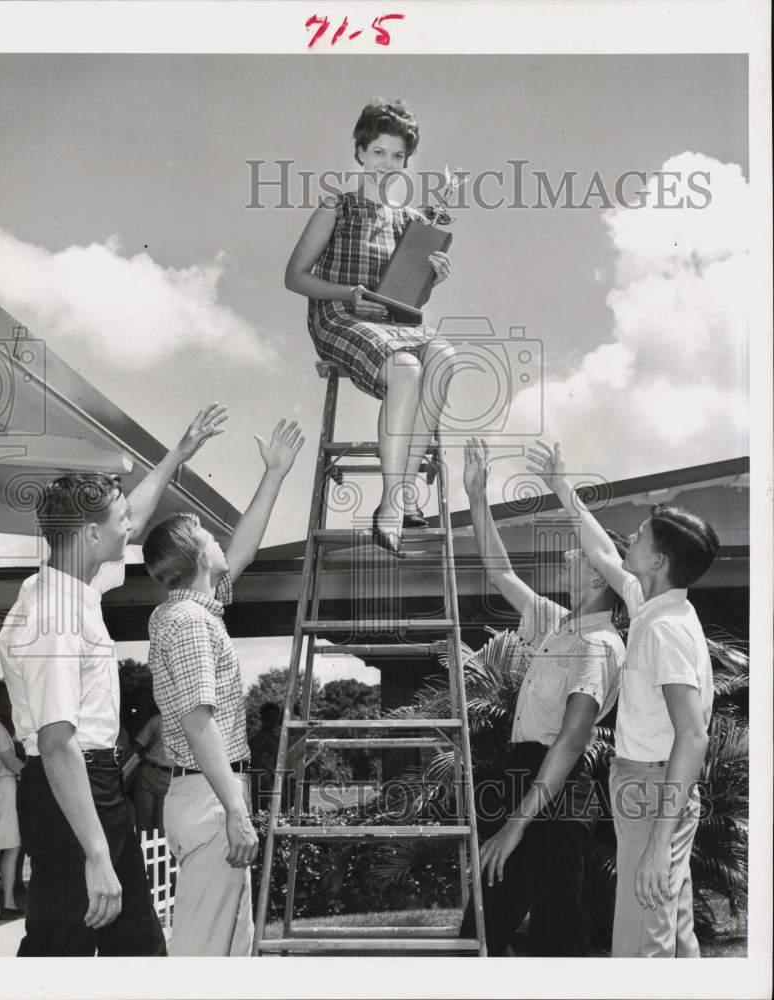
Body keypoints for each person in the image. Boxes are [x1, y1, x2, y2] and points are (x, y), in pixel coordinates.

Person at [0, 402, 228, 956]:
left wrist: (178, 453)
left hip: (96, 790)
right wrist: (96, 853)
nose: (131, 527)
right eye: (119, 521)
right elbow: (57, 745)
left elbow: (134, 514)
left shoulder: (76, 585)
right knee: (62, 950)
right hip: (70, 790)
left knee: (140, 949)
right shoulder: (51, 614)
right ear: (90, 533)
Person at [526, 439, 719, 958]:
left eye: (640, 536)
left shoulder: (664, 631)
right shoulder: (655, 605)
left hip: (654, 788)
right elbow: (603, 554)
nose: (629, 537)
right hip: (657, 786)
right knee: (674, 930)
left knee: (640, 944)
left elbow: (693, 735)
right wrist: (562, 485)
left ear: (657, 560)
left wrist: (657, 842)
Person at [458, 438, 627, 956]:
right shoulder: (558, 622)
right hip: (523, 776)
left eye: (578, 554)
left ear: (599, 576)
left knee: (557, 932)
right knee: (485, 926)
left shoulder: (600, 645)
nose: (568, 556)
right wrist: (477, 497)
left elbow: (573, 740)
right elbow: (501, 572)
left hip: (557, 789)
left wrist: (516, 822)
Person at [143, 418, 303, 956]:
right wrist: (235, 811)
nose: (220, 539)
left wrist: (274, 474)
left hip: (210, 793)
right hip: (212, 796)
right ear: (196, 558)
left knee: (229, 950)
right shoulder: (188, 621)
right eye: (210, 535)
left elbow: (244, 553)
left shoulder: (191, 607)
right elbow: (197, 719)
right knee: (201, 957)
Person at [285, 97, 456, 555]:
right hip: (337, 314)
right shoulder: (335, 207)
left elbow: (405, 299)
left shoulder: (411, 221)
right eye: (378, 151)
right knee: (405, 368)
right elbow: (295, 277)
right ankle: (392, 505)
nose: (386, 163)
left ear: (406, 162)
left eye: (397, 156)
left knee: (443, 358)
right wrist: (348, 295)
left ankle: (400, 493)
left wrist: (431, 279)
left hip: (388, 322)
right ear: (360, 152)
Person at [0, 682, 25, 920]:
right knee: (9, 846)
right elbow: (9, 760)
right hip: (3, 786)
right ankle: (6, 901)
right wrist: (32, 774)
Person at [129, 700, 173, 837]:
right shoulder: (157, 720)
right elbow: (138, 745)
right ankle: (145, 857)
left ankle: (162, 857)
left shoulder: (186, 722)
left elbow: (137, 746)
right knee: (145, 823)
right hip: (150, 773)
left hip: (169, 777)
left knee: (162, 825)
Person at [248, 702, 281, 813]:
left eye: (275, 717)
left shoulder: (279, 739)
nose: (274, 720)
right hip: (261, 783)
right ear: (263, 717)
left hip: (274, 781)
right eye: (270, 717)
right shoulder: (257, 740)